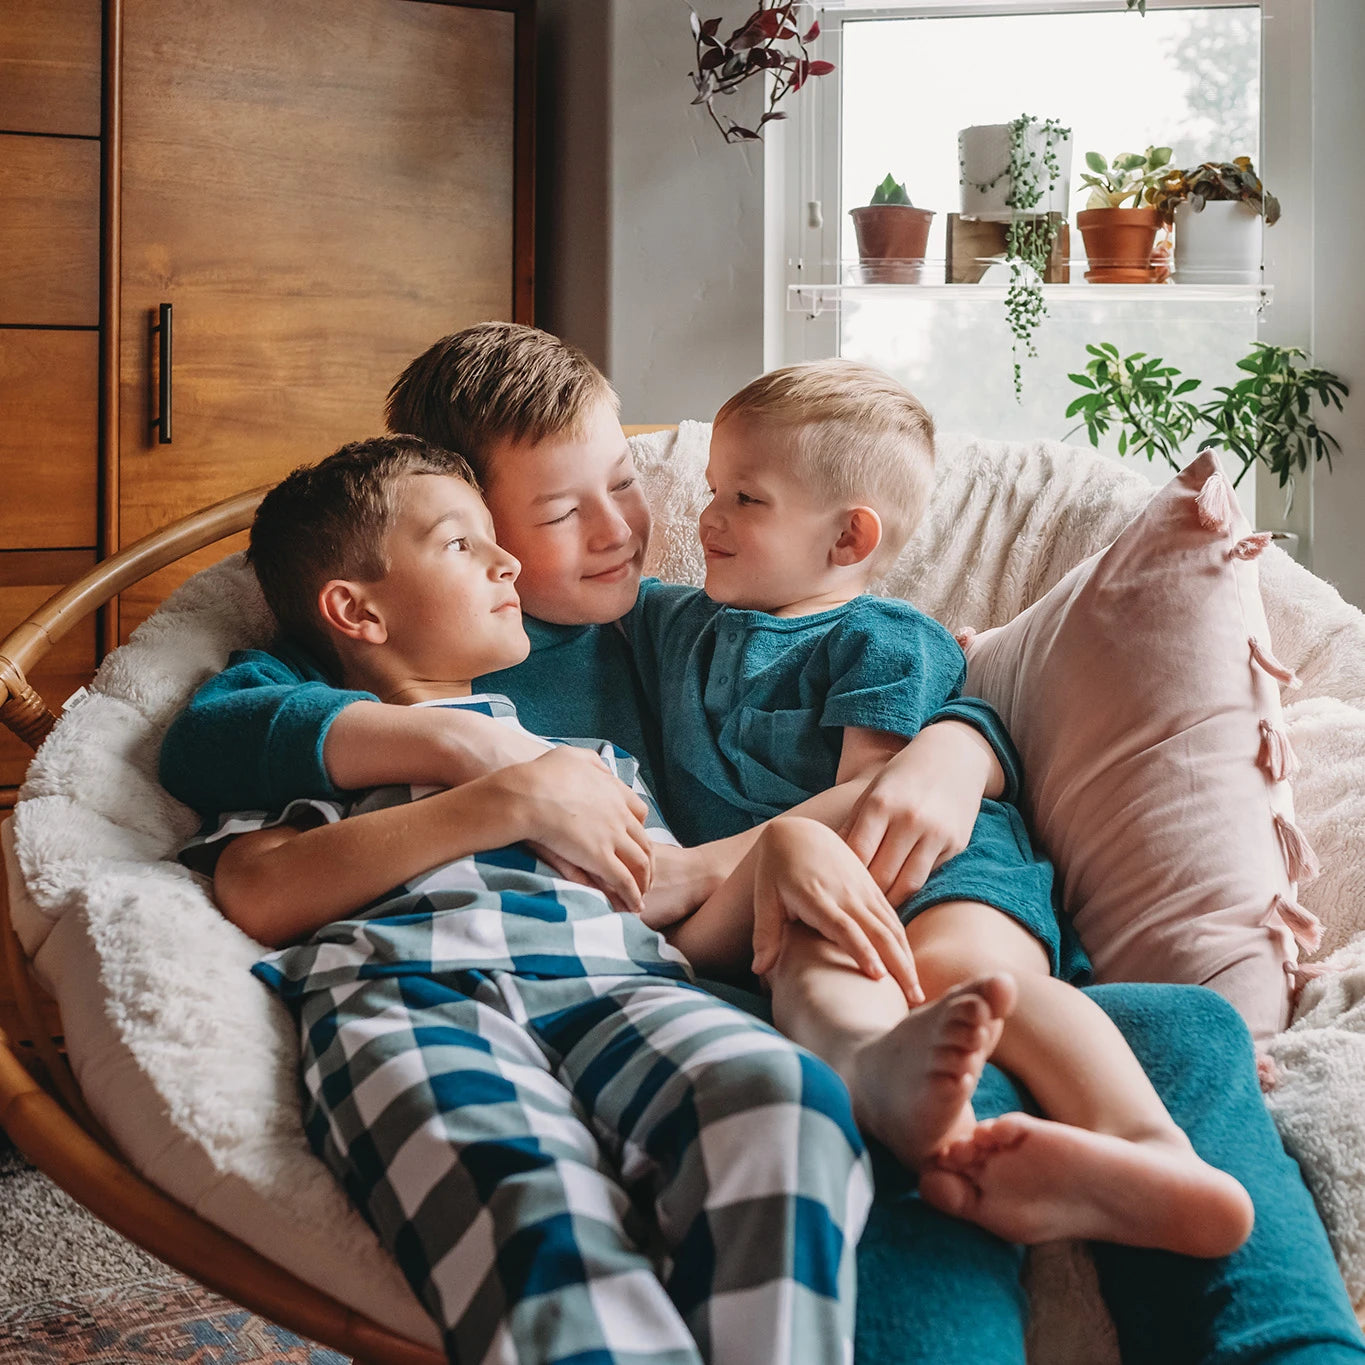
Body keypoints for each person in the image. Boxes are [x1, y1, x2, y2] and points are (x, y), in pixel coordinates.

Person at [160, 325, 1365, 1364]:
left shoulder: (665, 617)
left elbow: (886, 663)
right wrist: (469, 760)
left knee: (1180, 1025)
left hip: (820, 924)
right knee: (929, 1083)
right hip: (716, 980)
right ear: (476, 530)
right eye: (556, 515)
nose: (624, 531)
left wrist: (959, 748)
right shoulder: (452, 648)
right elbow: (214, 740)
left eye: (624, 483)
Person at [191, 435, 1007, 1364]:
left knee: (785, 1104)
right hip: (416, 988)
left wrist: (802, 835)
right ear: (356, 609)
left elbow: (674, 910)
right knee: (534, 1212)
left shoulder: (588, 758)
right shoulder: (316, 729)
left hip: (624, 983)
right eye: (463, 544)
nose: (505, 559)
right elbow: (257, 886)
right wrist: (496, 801)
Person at [626, 357, 1253, 1257]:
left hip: (948, 852)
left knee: (980, 976)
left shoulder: (881, 637)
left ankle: (1149, 1152)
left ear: (848, 539)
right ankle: (883, 1071)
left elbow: (873, 798)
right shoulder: (680, 628)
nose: (707, 516)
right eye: (714, 488)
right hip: (806, 894)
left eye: (746, 499)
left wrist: (703, 868)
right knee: (818, 974)